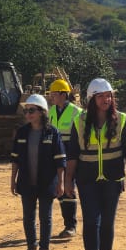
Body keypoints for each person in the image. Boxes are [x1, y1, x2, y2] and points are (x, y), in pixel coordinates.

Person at [64, 78, 126, 250]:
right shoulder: (79, 122)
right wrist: (68, 181)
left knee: (107, 221)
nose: (106, 99)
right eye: (101, 96)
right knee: (91, 221)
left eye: (109, 96)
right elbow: (72, 154)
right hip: (87, 180)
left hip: (113, 179)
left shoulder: (121, 119)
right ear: (92, 99)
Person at [10, 93, 66, 250]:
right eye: (26, 111)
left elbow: (60, 161)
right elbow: (15, 159)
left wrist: (61, 183)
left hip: (47, 182)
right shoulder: (22, 132)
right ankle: (31, 249)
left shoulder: (52, 132)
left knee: (45, 218)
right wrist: (13, 180)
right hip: (27, 183)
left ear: (42, 112)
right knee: (28, 217)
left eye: (31, 110)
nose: (28, 114)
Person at [46, 78, 81, 241]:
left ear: (62, 94)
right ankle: (68, 223)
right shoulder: (51, 111)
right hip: (55, 155)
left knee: (68, 188)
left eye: (53, 93)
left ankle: (71, 226)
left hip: (71, 154)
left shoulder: (76, 112)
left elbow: (81, 137)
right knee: (58, 189)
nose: (51, 96)